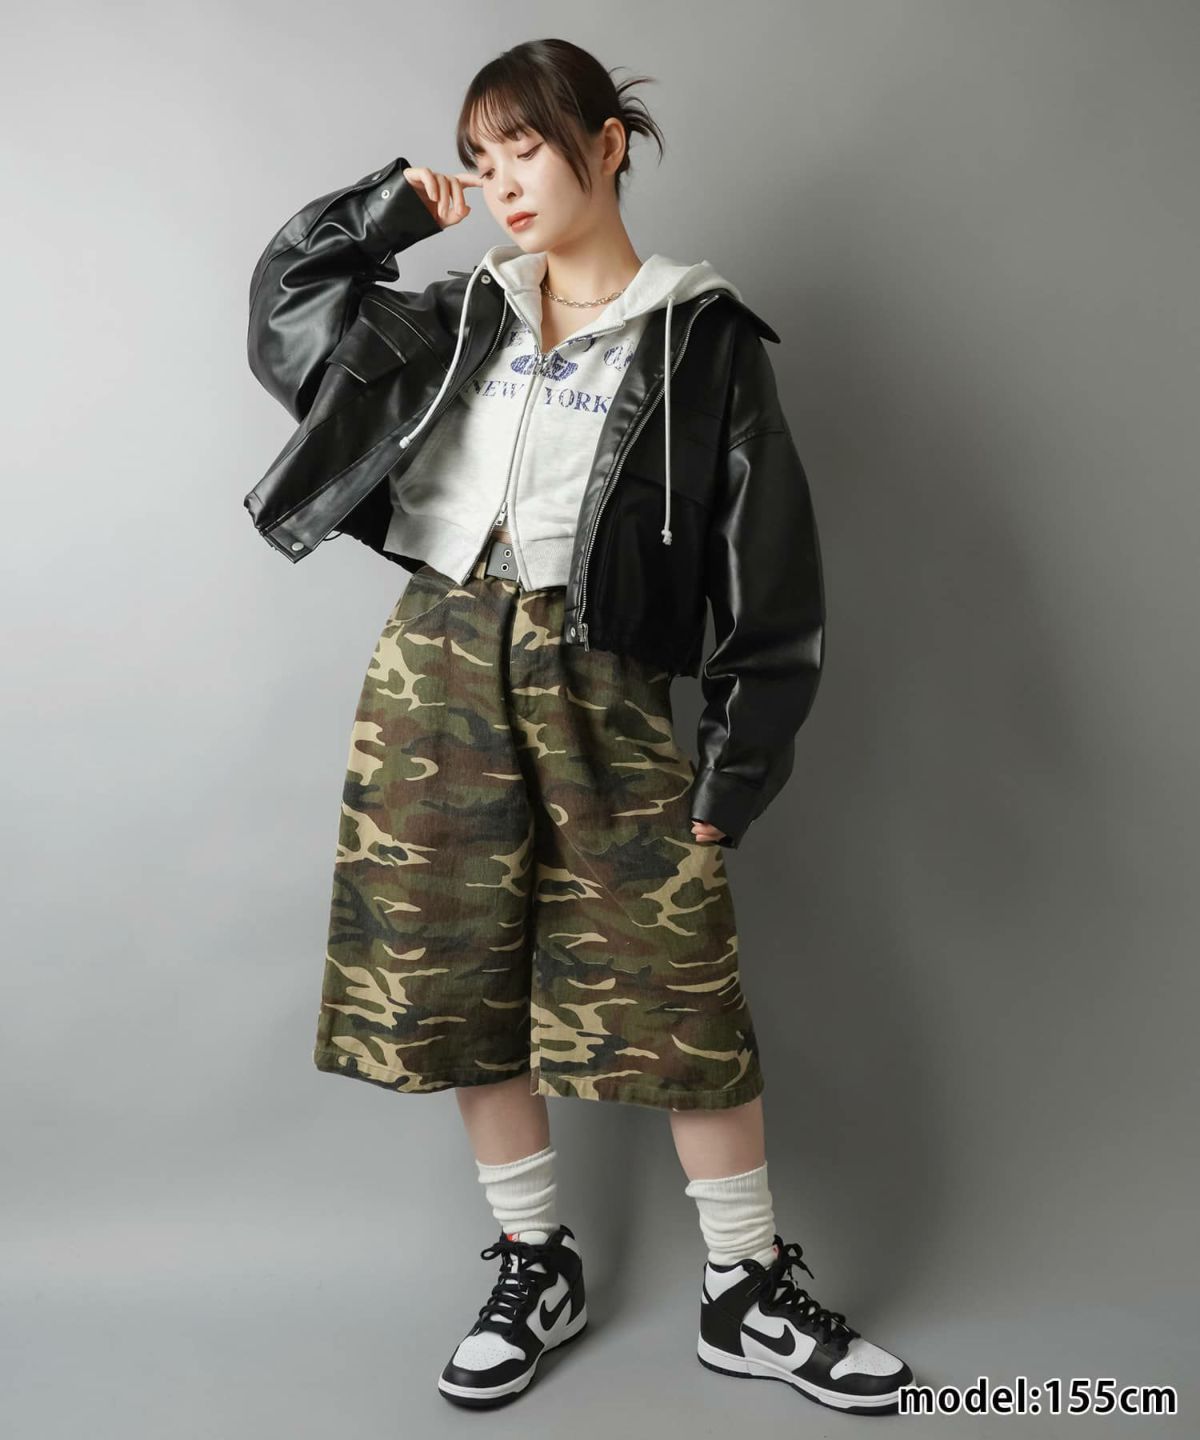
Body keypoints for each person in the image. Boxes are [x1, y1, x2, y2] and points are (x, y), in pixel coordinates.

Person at [245, 35, 913, 1419]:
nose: (501, 183)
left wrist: (736, 769)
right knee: (460, 974)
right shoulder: (455, 316)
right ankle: (534, 1263)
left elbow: (771, 577)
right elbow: (285, 315)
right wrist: (387, 213)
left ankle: (744, 1287)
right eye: (479, 160)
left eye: (526, 148)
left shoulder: (701, 339)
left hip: (603, 681)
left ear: (606, 144)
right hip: (436, 664)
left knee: (682, 989)